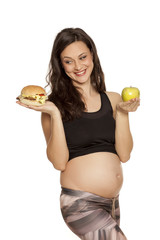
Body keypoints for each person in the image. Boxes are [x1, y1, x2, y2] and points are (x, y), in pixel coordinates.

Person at [17, 28, 140, 240]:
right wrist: (55, 114)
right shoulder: (53, 106)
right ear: (61, 65)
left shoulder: (112, 99)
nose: (78, 66)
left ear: (92, 55)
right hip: (80, 203)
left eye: (82, 57)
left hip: (112, 202)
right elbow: (59, 162)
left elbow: (125, 155)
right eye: (69, 61)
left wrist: (122, 113)